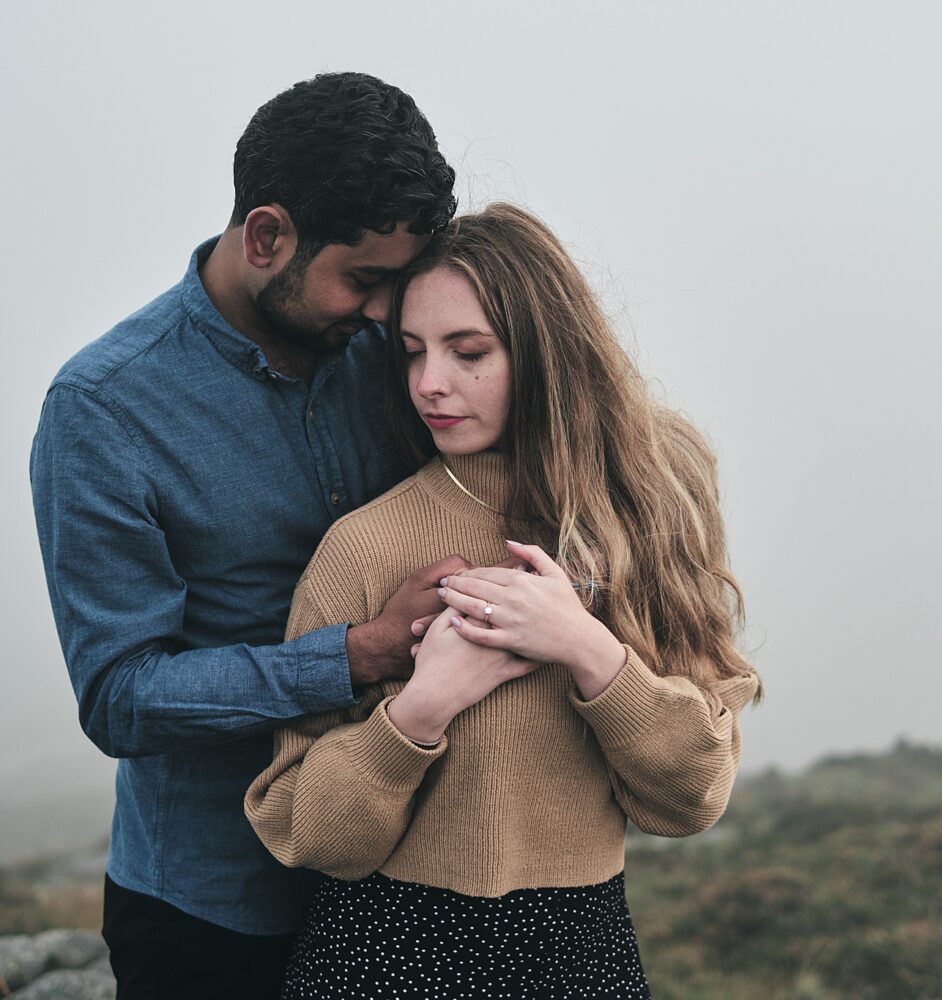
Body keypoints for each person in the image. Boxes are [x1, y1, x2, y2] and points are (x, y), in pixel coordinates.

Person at [245, 203, 763, 998]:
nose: (430, 384)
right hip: (383, 956)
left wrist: (589, 650)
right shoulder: (364, 545)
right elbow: (301, 827)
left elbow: (693, 797)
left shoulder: (646, 514)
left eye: (469, 351)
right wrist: (418, 712)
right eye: (412, 352)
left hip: (579, 957)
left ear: (546, 351)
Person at [29, 72, 462, 999]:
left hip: (399, 876)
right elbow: (119, 696)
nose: (387, 314)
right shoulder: (102, 411)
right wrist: (354, 655)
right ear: (267, 236)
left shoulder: (386, 356)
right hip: (213, 909)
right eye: (366, 280)